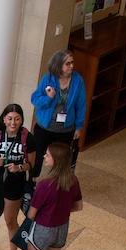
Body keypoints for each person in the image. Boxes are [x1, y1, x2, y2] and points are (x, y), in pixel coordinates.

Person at [17, 143, 83, 250]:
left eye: (47, 155)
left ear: (56, 160)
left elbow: (31, 214)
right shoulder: (72, 180)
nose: (44, 157)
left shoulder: (44, 184)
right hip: (61, 228)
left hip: (42, 229)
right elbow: (78, 206)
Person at [0, 104, 36, 250]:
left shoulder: (27, 137)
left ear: (22, 119)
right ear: (4, 119)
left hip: (15, 184)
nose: (13, 122)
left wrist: (19, 168)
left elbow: (32, 165)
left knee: (10, 221)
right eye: (10, 118)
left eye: (17, 119)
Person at [30, 50, 86, 179]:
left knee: (62, 159)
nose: (71, 66)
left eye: (72, 63)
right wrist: (48, 98)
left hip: (66, 129)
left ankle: (59, 183)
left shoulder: (78, 81)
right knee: (38, 156)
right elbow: (35, 99)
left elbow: (81, 105)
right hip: (45, 127)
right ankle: (31, 181)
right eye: (67, 63)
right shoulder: (48, 78)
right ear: (59, 65)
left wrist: (78, 126)